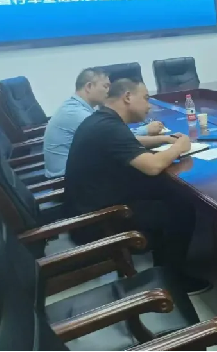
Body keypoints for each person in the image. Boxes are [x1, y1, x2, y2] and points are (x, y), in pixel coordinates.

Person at [64, 78, 209, 294]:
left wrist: (165, 139)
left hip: (94, 200)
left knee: (169, 191)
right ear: (127, 97)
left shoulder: (102, 119)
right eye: (146, 98)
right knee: (180, 208)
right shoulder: (108, 127)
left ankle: (165, 266)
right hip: (97, 220)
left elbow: (129, 141)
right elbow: (153, 166)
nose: (149, 105)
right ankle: (173, 280)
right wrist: (179, 146)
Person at [43, 68, 164, 177]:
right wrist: (146, 130)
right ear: (89, 86)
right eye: (105, 86)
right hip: (65, 178)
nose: (108, 91)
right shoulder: (76, 113)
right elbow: (117, 136)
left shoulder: (78, 107)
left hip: (78, 170)